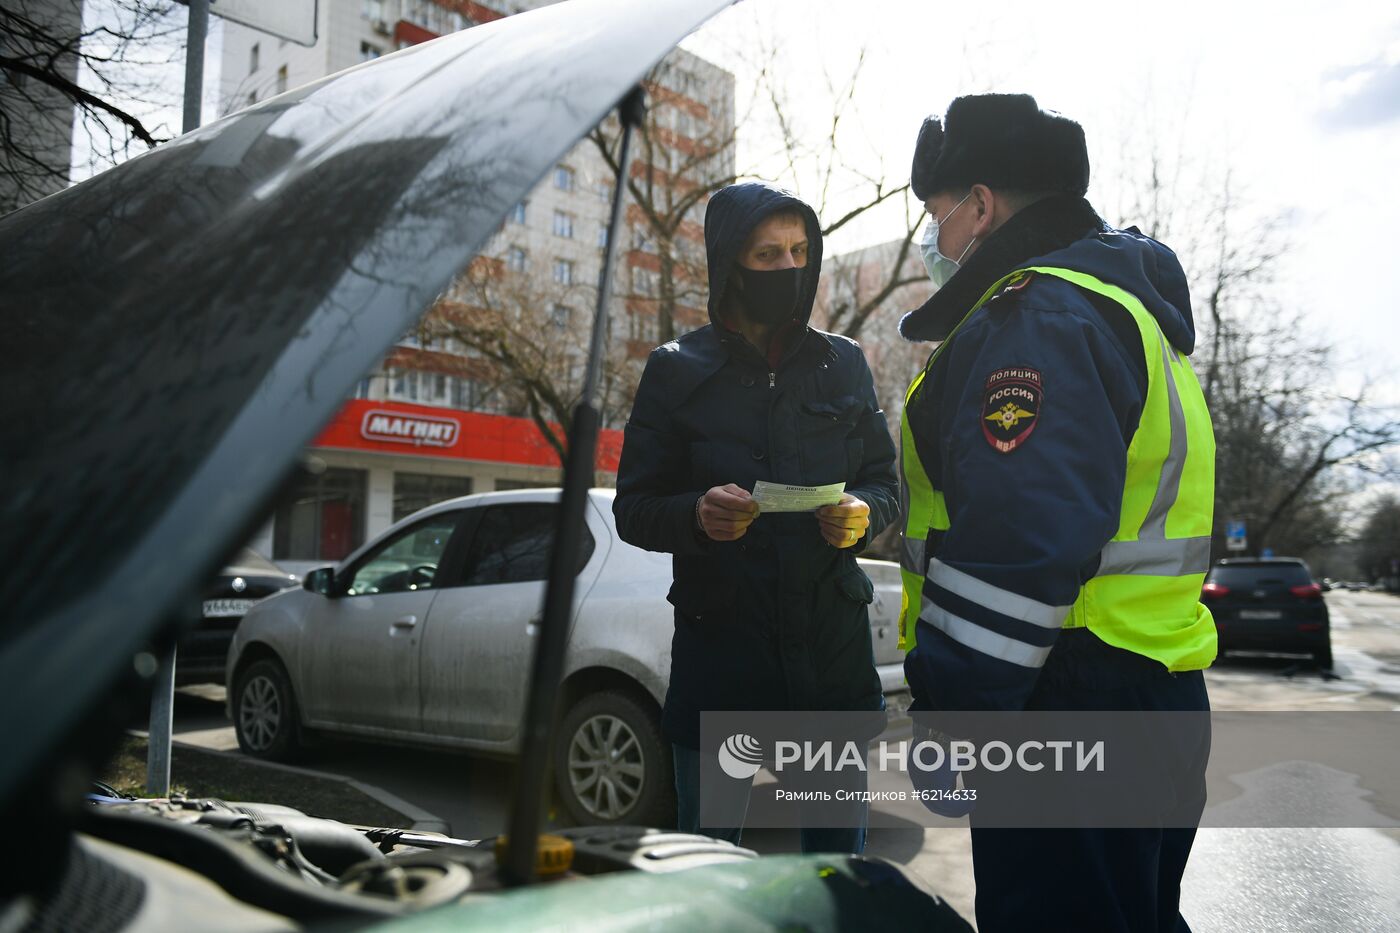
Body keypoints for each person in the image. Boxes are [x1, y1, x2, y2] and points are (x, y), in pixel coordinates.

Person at [896, 94, 1217, 932]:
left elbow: (1018, 549)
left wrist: (957, 726)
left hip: (1070, 700)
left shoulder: (1037, 316)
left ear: (981, 204)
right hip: (1152, 691)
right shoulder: (1126, 310)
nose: (936, 241)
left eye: (937, 216)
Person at [612, 180, 899, 853]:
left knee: (835, 876)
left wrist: (863, 511)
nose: (788, 269)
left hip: (830, 665)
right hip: (723, 666)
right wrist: (695, 515)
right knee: (708, 865)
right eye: (767, 255)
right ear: (728, 263)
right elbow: (634, 508)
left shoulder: (844, 363)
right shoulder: (675, 370)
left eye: (800, 251)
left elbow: (886, 482)